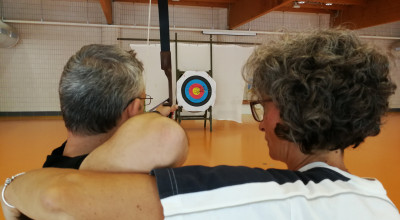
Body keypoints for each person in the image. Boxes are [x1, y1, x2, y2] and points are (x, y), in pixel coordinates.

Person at [2, 28, 400, 219]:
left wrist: (10, 187)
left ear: (291, 111)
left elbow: (58, 196)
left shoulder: (254, 193)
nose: (259, 123)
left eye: (262, 106)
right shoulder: (383, 205)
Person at [43, 44, 178, 170]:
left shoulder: (50, 170)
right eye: (142, 104)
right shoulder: (133, 178)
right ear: (134, 109)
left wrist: (156, 114)